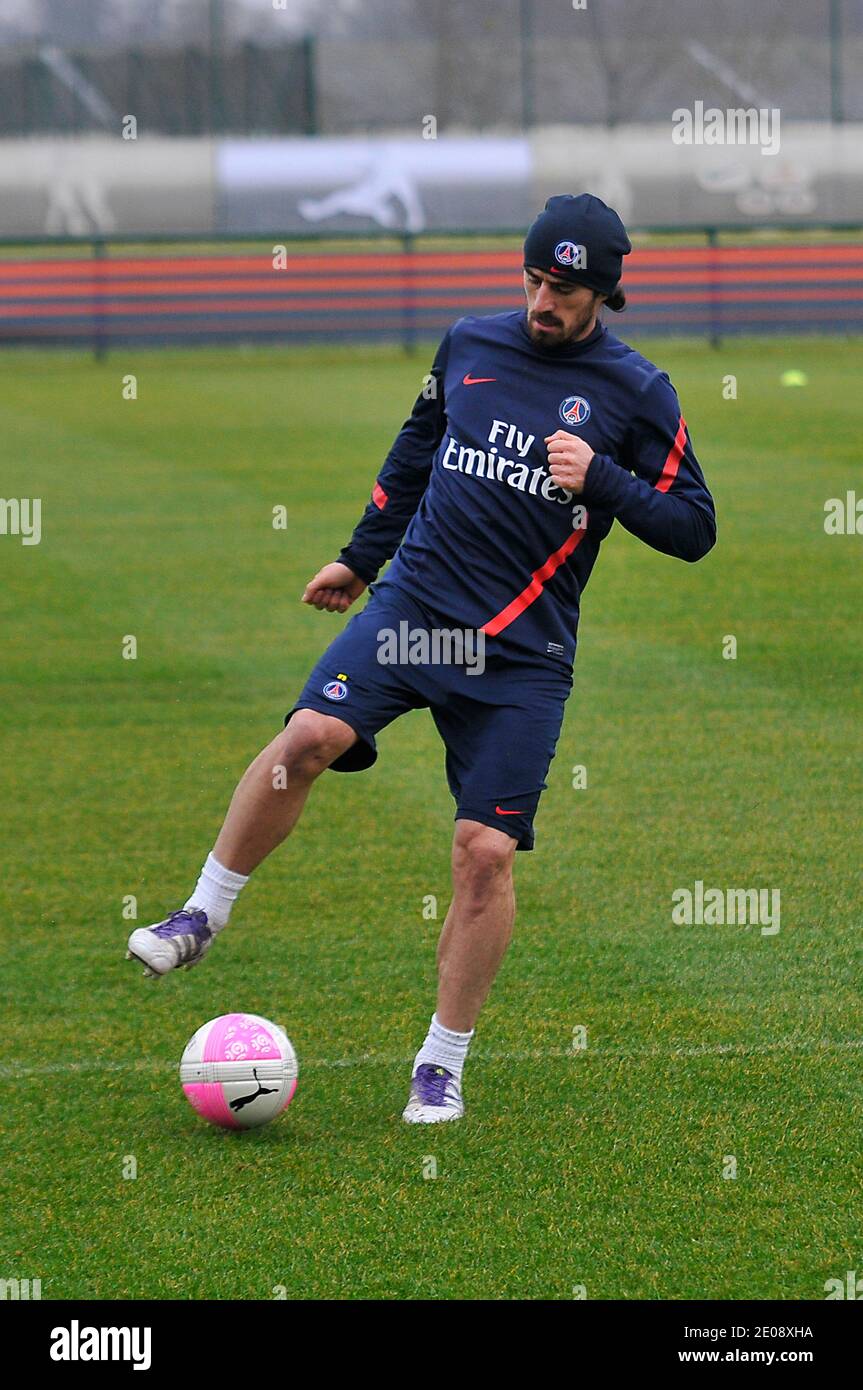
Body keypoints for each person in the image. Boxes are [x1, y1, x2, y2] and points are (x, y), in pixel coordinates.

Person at [127, 193, 717, 1125]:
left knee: (483, 853)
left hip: (524, 655)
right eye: (532, 280)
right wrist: (360, 559)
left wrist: (602, 479)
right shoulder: (470, 346)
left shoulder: (639, 393)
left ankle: (439, 1066)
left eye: (563, 289)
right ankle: (201, 912)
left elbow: (694, 529)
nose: (540, 302)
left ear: (602, 293)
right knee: (307, 736)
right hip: (418, 615)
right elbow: (412, 452)